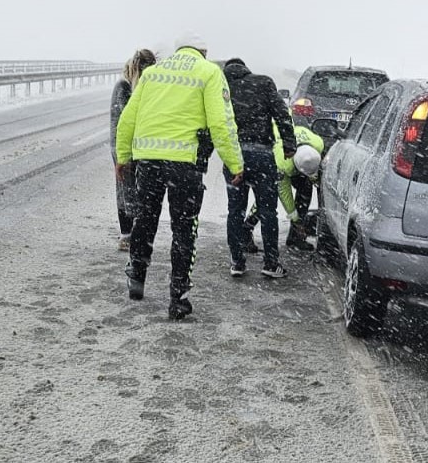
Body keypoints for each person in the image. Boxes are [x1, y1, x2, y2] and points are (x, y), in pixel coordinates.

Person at [115, 32, 244, 320]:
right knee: (184, 230)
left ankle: (137, 275)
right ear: (203, 51)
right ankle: (178, 297)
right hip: (184, 166)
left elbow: (127, 120)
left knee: (145, 220)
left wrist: (123, 158)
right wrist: (235, 163)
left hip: (148, 163)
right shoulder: (209, 73)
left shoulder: (153, 73)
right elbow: (221, 123)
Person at [222, 58, 296, 279]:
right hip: (262, 154)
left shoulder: (222, 88)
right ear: (246, 70)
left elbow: (211, 122)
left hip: (234, 155)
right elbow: (281, 113)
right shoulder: (263, 83)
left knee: (235, 211)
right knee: (267, 211)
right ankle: (271, 263)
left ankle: (237, 262)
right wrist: (289, 145)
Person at [243, 125, 324, 252]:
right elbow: (284, 194)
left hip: (299, 158)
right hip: (269, 159)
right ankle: (246, 230)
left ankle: (295, 237)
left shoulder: (318, 144)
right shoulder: (283, 161)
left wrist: (314, 178)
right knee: (268, 196)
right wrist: (295, 218)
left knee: (306, 189)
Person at [110, 49, 157, 251]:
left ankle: (138, 235)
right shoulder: (124, 87)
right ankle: (127, 234)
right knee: (126, 190)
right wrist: (123, 155)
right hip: (126, 147)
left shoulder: (150, 86)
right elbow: (120, 123)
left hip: (145, 147)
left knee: (142, 193)